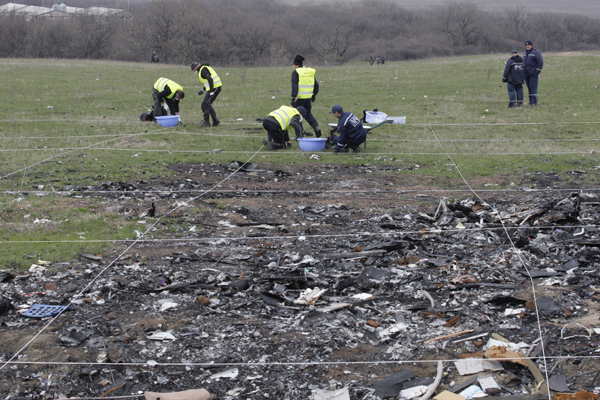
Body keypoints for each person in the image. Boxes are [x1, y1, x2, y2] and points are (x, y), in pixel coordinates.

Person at [291, 54, 321, 137]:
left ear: (295, 64)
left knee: (297, 115)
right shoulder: (309, 71)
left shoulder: (296, 72)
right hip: (308, 97)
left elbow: (295, 85)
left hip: (299, 98)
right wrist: (314, 94)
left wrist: (293, 97)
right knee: (308, 113)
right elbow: (316, 85)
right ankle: (316, 126)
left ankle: (300, 135)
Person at [191, 61, 222, 127]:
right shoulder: (203, 68)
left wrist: (211, 92)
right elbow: (208, 81)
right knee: (207, 104)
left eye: (193, 70)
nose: (194, 71)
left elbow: (210, 80)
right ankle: (215, 121)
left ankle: (207, 123)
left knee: (204, 105)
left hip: (214, 88)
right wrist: (203, 89)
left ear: (195, 67)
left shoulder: (203, 70)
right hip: (214, 87)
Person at [523, 40, 543, 106]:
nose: (527, 46)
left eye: (529, 45)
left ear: (531, 45)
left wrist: (537, 71)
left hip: (533, 73)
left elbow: (540, 62)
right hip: (526, 74)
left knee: (533, 88)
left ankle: (534, 102)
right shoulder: (525, 53)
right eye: (526, 45)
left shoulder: (536, 53)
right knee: (529, 88)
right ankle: (530, 101)